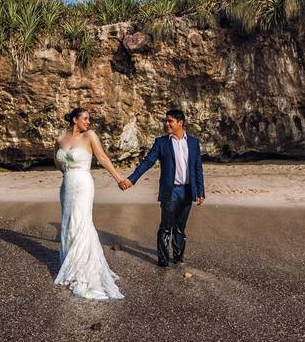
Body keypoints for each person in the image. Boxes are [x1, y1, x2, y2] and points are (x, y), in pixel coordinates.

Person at [53, 107, 126, 299]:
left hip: (84, 184)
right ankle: (70, 262)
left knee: (82, 222)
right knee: (69, 223)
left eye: (89, 119)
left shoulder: (90, 136)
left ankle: (84, 267)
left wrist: (118, 179)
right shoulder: (60, 139)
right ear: (74, 119)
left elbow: (102, 157)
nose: (88, 122)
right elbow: (58, 162)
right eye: (85, 118)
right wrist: (68, 174)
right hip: (67, 185)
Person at [119, 108, 205, 267]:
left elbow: (198, 168)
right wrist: (132, 180)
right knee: (166, 226)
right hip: (170, 190)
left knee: (180, 227)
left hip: (187, 190)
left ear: (180, 123)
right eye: (165, 121)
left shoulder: (193, 142)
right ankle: (163, 261)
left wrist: (200, 191)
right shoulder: (161, 142)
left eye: (170, 121)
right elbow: (148, 162)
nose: (166, 124)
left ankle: (178, 258)